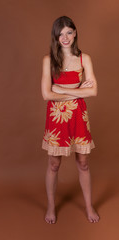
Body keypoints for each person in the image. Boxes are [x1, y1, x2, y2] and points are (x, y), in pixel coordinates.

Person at [41, 16, 100, 224]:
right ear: (55, 36)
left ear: (75, 33)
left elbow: (93, 91)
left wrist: (60, 89)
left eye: (69, 32)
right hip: (57, 119)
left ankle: (89, 205)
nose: (65, 37)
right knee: (54, 163)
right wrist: (77, 89)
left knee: (83, 163)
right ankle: (50, 206)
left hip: (78, 116)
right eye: (60, 33)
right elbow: (47, 95)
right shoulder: (49, 60)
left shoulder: (85, 59)